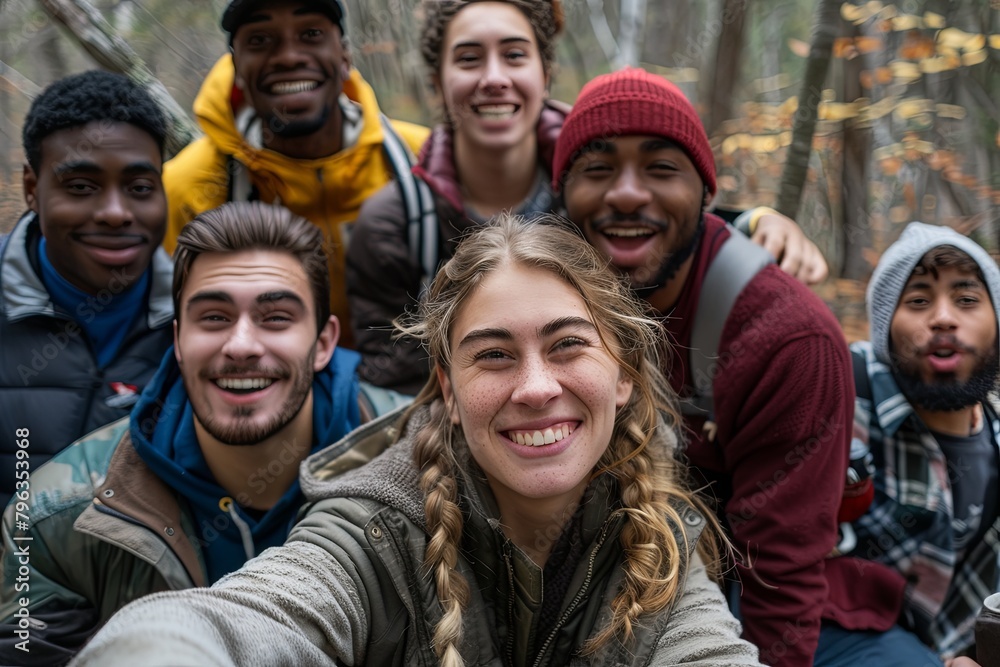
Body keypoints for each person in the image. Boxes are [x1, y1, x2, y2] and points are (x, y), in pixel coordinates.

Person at [71, 214, 764, 666]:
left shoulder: (656, 531)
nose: (534, 386)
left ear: (622, 374)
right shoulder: (375, 523)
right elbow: (259, 613)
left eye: (568, 346)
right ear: (448, 389)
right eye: (493, 354)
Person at [552, 68, 876, 667]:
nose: (626, 193)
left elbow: (780, 573)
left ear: (706, 194)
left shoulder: (785, 340)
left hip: (734, 598)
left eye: (660, 168)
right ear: (562, 193)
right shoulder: (537, 299)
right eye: (598, 169)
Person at [346, 0, 828, 395]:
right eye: (469, 58)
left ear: (545, 72)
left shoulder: (592, 182)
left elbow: (668, 223)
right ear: (437, 81)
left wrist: (754, 222)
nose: (494, 77)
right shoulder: (398, 223)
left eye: (515, 55)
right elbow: (397, 387)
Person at [0, 202, 391, 665]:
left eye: (277, 317)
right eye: (214, 317)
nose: (241, 345)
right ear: (178, 339)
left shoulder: (426, 461)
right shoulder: (50, 518)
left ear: (324, 342)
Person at [161, 0, 429, 347]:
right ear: (236, 68)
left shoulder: (422, 159)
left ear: (345, 56)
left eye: (311, 34)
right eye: (260, 40)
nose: (288, 56)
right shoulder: (186, 186)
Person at [0, 70, 173, 509]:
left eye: (139, 188)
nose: (116, 213)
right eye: (80, 187)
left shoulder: (207, 319)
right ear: (32, 189)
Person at [846, 221, 1000, 663]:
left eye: (967, 299)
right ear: (885, 328)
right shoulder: (841, 391)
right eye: (917, 300)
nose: (944, 318)